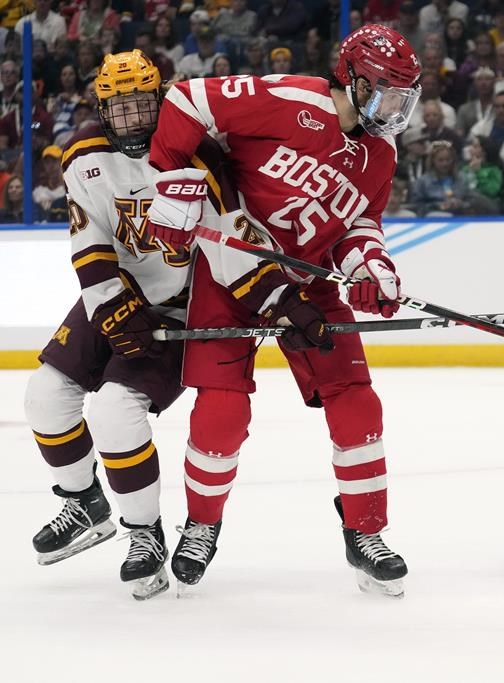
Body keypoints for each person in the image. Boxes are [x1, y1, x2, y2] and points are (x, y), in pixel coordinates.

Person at [144, 23, 420, 598]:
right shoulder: (290, 100)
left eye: (403, 96)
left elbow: (358, 224)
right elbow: (184, 99)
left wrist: (372, 266)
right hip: (230, 270)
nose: (395, 108)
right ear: (352, 78)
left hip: (309, 285)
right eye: (385, 92)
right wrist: (170, 180)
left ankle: (365, 530)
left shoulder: (380, 153)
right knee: (222, 412)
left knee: (358, 401)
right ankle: (201, 524)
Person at [21, 50, 212, 601]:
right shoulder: (84, 154)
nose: (131, 119)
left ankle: (145, 535)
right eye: (118, 108)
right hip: (115, 294)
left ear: (160, 99)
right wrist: (108, 306)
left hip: (182, 307)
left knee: (113, 411)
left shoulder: (197, 150)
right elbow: (90, 241)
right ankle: (84, 501)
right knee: (43, 396)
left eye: (140, 106)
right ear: (102, 110)